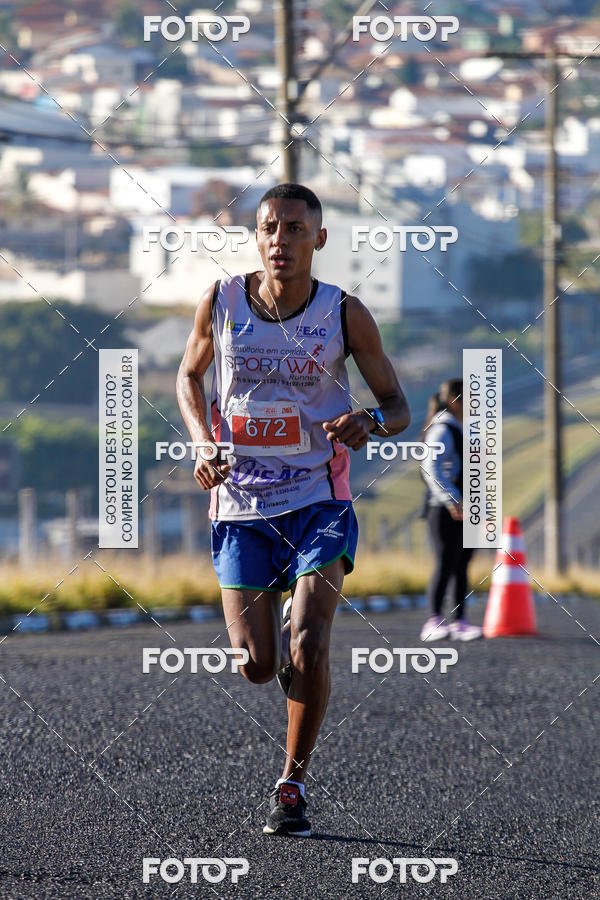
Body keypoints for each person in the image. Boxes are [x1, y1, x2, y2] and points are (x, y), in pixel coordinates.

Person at [176, 183, 410, 837]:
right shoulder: (221, 302)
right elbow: (187, 375)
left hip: (317, 499)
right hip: (242, 501)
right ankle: (270, 637)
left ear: (319, 239)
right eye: (270, 228)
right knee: (255, 664)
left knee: (309, 643)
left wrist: (369, 422)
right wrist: (202, 441)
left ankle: (292, 784)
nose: (281, 240)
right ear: (257, 237)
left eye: (295, 229)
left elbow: (399, 406)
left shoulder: (344, 313)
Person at [420, 378, 482, 642]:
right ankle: (434, 621)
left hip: (464, 508)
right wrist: (452, 498)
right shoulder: (443, 428)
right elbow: (429, 466)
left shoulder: (458, 427)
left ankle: (459, 622)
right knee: (446, 562)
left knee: (461, 564)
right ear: (456, 401)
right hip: (445, 509)